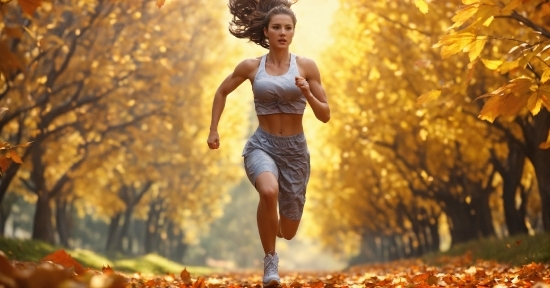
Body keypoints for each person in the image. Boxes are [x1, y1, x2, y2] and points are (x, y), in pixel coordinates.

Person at [206, 0, 330, 286]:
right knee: (268, 191)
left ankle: (273, 225)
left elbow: (325, 115)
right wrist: (213, 129)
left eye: (288, 28)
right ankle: (270, 264)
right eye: (277, 27)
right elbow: (222, 91)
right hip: (262, 146)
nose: (282, 32)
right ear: (267, 31)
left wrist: (308, 93)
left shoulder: (307, 67)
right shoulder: (251, 67)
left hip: (296, 153)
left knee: (288, 230)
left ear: (293, 32)